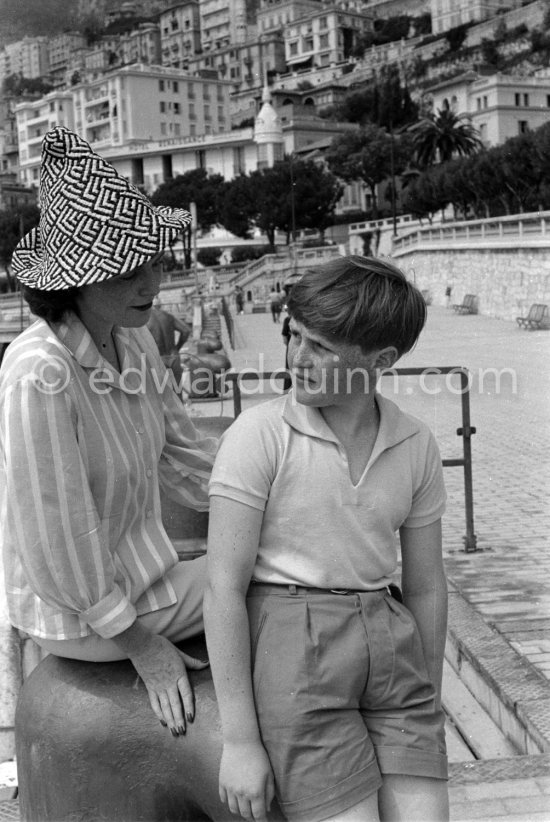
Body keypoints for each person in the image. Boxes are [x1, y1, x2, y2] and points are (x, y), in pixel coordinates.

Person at [204, 255, 449, 822]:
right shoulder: (259, 436)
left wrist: (428, 697)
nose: (296, 358)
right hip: (298, 654)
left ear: (379, 361)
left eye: (321, 347)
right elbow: (222, 589)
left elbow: (428, 584)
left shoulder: (415, 444)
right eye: (294, 336)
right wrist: (240, 742)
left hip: (392, 650)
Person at [0, 127, 218, 738]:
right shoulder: (39, 374)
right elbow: (54, 536)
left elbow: (182, 456)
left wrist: (268, 496)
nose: (152, 284)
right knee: (264, 576)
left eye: (152, 263)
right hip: (84, 618)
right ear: (74, 282)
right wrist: (143, 648)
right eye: (127, 272)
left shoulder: (135, 338)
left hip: (143, 576)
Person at [147, 300, 191, 390]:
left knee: (160, 395)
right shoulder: (168, 316)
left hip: (157, 358)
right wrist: (177, 347)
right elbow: (186, 331)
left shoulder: (145, 320)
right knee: (177, 392)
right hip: (174, 356)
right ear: (160, 305)